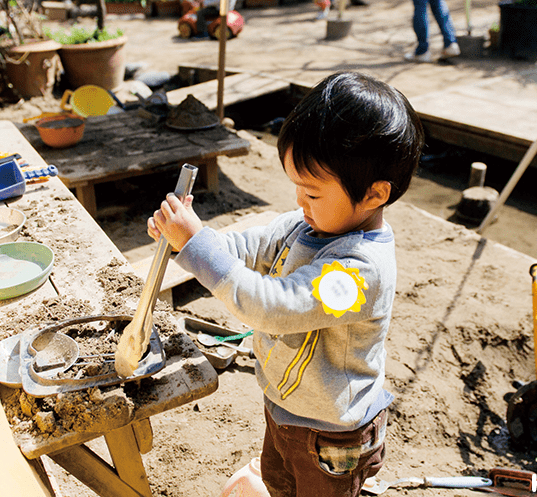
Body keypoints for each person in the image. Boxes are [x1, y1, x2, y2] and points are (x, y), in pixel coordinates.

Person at [147, 71, 424, 497]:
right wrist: (189, 237)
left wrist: (197, 245)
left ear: (374, 195)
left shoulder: (357, 272)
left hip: (332, 436)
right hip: (285, 408)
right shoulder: (305, 224)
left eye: (312, 193)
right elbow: (247, 245)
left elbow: (271, 306)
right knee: (279, 483)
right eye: (297, 188)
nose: (299, 202)